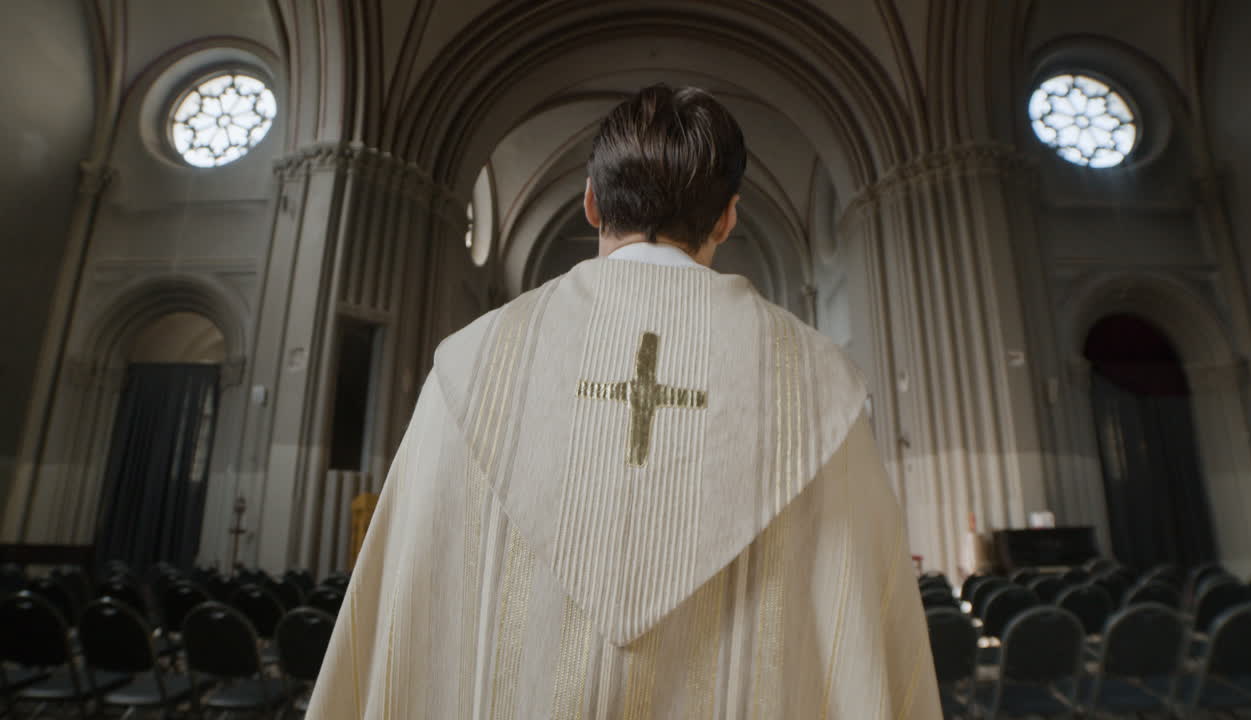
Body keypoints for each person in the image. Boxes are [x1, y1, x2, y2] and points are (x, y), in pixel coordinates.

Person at [307, 84, 940, 719]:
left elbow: (411, 607)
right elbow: (858, 625)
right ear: (728, 218)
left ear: (590, 202)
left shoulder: (472, 363)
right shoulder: (818, 382)